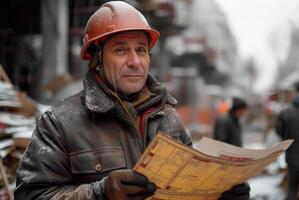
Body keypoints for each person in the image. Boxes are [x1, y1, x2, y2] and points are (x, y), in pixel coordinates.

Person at [15, 1, 250, 199]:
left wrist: (217, 194)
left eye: (141, 50)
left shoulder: (168, 117)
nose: (135, 61)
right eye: (121, 50)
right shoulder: (59, 123)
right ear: (97, 58)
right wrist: (99, 193)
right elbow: (31, 195)